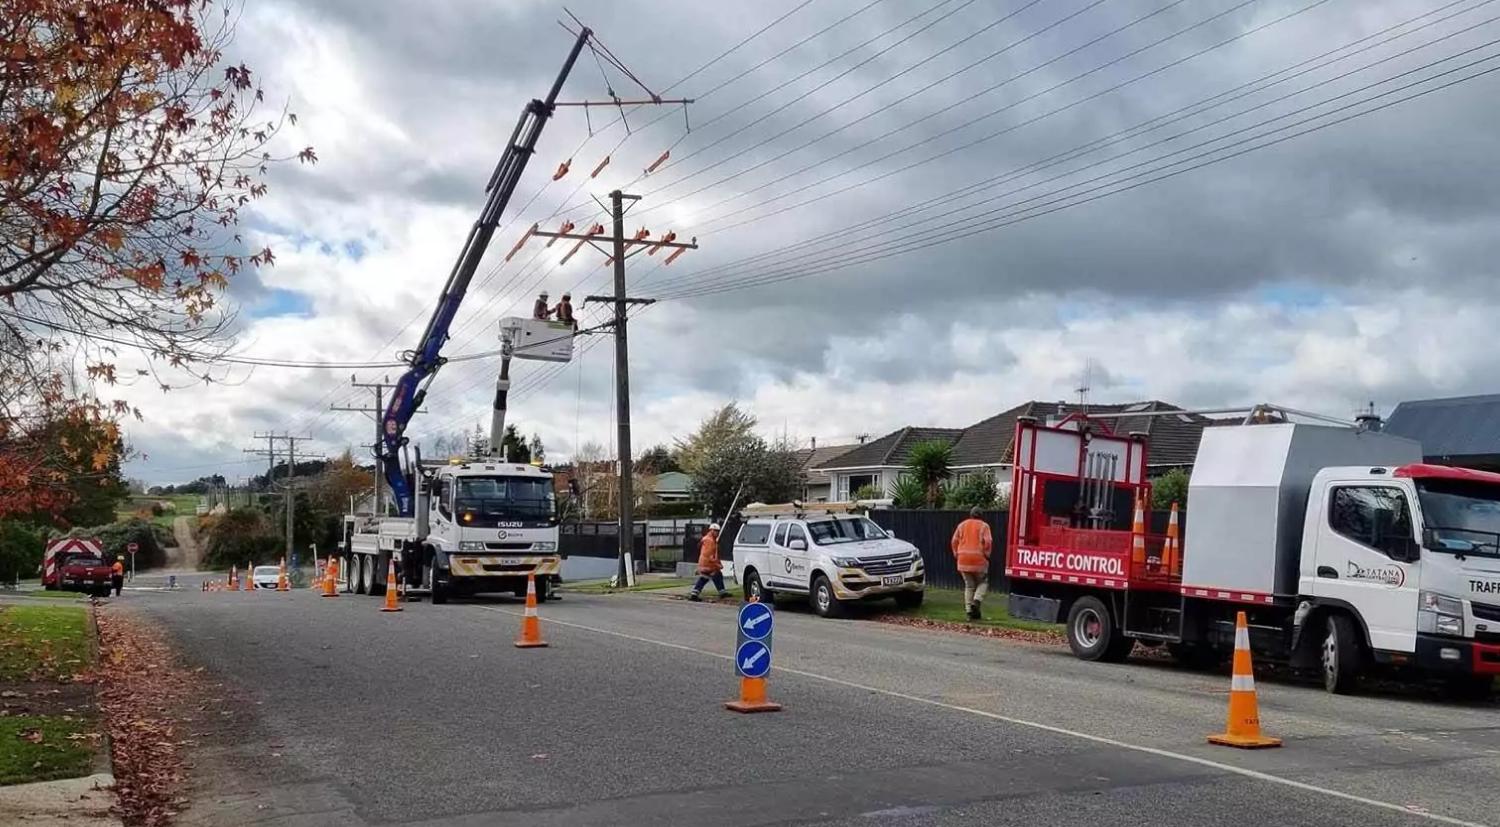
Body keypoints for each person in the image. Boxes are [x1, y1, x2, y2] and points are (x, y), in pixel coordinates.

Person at [951, 507, 993, 620]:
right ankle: (976, 601)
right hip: (978, 559)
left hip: (963, 559)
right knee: (983, 582)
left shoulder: (962, 525)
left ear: (971, 514)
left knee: (969, 586)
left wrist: (956, 553)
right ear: (981, 515)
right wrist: (987, 554)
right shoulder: (984, 526)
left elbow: (954, 541)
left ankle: (969, 612)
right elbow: (988, 542)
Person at [687, 523, 731, 601]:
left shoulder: (709, 539)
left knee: (711, 576)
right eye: (715, 531)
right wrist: (717, 564)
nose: (717, 533)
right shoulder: (710, 541)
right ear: (711, 531)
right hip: (708, 563)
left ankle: (721, 592)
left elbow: (713, 554)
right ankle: (695, 594)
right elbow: (710, 555)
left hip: (706, 562)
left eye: (718, 531)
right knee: (710, 576)